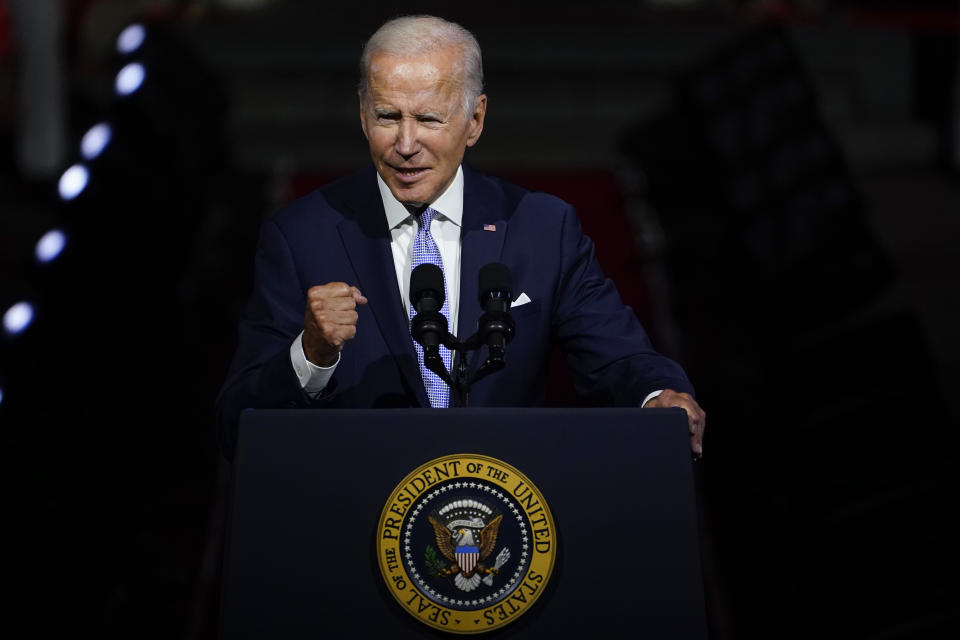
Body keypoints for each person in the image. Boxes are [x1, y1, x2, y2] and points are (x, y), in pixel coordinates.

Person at [215, 15, 705, 460]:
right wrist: (311, 355)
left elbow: (618, 356)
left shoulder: (541, 228)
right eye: (388, 117)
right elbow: (237, 421)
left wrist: (658, 394)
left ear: (475, 120)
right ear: (363, 116)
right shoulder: (300, 236)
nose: (406, 145)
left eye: (429, 119)